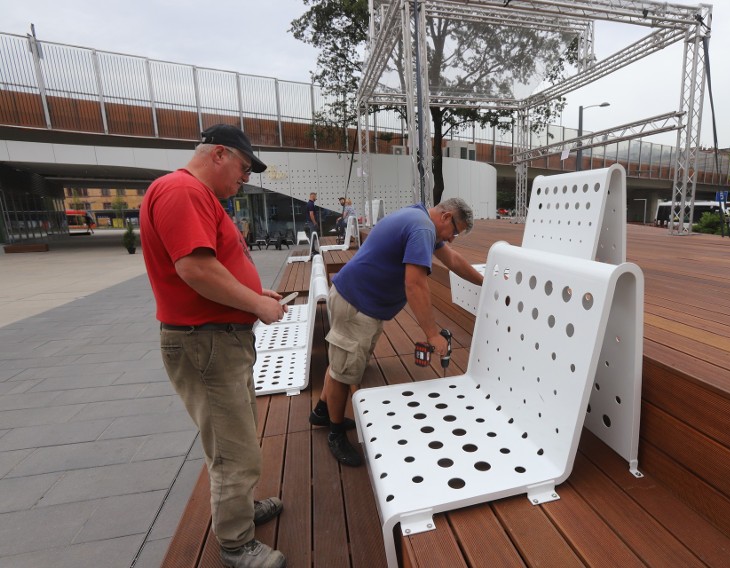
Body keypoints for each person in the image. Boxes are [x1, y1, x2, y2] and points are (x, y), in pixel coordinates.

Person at [139, 124, 287, 568]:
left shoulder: (193, 194)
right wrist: (258, 306)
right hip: (206, 344)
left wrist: (259, 298)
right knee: (232, 449)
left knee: (235, 438)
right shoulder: (183, 190)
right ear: (219, 154)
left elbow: (215, 268)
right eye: (243, 168)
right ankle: (236, 543)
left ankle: (239, 509)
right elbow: (196, 271)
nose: (244, 179)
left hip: (217, 341)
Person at [309, 198, 485, 466]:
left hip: (360, 302)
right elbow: (415, 285)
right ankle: (334, 433)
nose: (453, 239)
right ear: (447, 217)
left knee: (342, 362)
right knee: (343, 372)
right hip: (356, 304)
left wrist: (485, 282)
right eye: (455, 232)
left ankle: (322, 411)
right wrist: (432, 334)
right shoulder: (423, 228)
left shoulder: (419, 219)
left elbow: (453, 260)